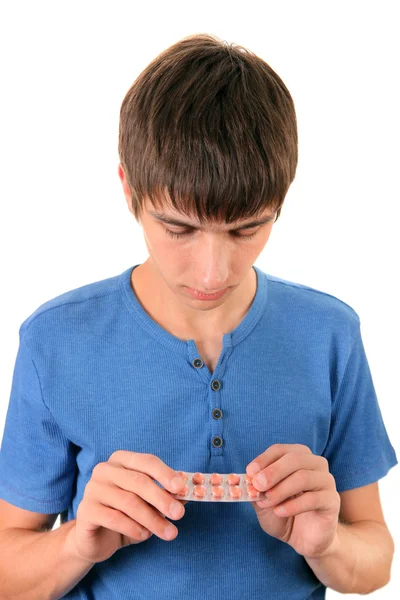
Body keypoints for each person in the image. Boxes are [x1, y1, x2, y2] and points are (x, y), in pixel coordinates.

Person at [0, 33, 397, 600]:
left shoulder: (329, 335)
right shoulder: (54, 341)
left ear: (282, 201)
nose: (212, 273)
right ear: (128, 190)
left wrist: (327, 544)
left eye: (246, 229)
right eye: (178, 228)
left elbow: (376, 560)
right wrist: (75, 546)